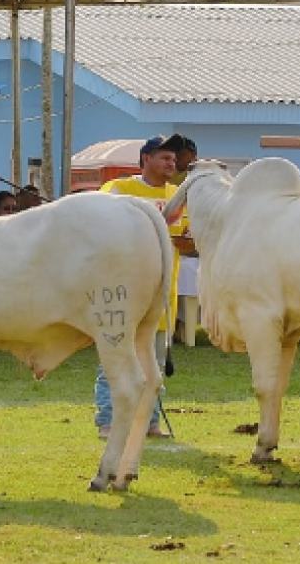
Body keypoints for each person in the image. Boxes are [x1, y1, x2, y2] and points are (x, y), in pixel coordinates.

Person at [94, 133, 194, 439]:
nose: (171, 163)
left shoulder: (179, 195)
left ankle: (149, 422)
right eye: (164, 157)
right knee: (115, 359)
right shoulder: (120, 188)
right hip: (123, 293)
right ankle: (108, 421)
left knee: (154, 364)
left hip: (161, 295)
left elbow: (188, 243)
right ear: (145, 159)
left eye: (174, 159)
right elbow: (103, 220)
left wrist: (179, 236)